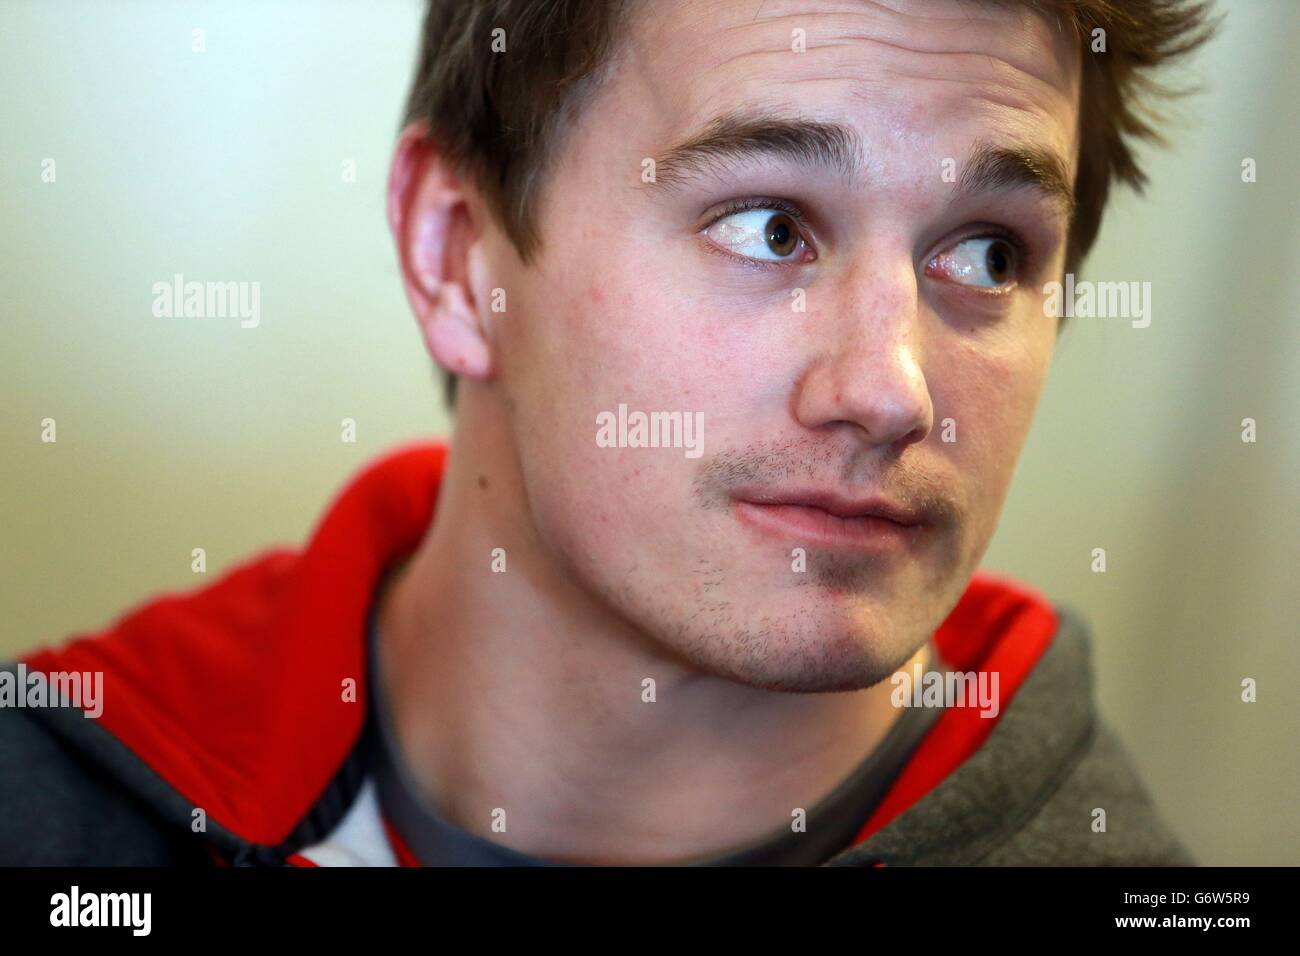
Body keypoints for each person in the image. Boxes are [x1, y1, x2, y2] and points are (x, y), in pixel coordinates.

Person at [0, 0, 1215, 866]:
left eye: (987, 252)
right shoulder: (56, 801)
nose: (891, 389)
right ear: (455, 253)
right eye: (769, 225)